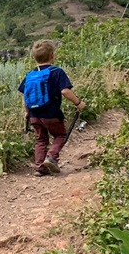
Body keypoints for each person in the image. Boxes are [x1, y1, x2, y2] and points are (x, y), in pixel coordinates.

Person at [20, 39, 86, 176]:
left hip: (34, 115)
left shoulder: (29, 75)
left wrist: (27, 112)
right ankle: (51, 157)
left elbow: (24, 95)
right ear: (52, 56)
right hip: (51, 114)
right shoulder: (57, 72)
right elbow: (65, 91)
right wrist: (78, 103)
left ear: (34, 58)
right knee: (60, 135)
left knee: (41, 139)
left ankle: (39, 167)